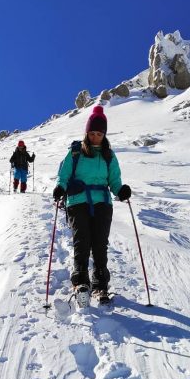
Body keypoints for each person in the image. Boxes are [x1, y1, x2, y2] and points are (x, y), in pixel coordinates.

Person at [52, 105, 131, 307]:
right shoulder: (76, 151)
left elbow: (114, 180)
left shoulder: (108, 155)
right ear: (87, 132)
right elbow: (65, 174)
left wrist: (120, 190)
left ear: (104, 134)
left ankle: (100, 286)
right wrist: (60, 187)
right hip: (78, 202)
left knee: (100, 245)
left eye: (100, 133)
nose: (96, 137)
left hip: (103, 203)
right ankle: (80, 284)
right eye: (93, 133)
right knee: (82, 242)